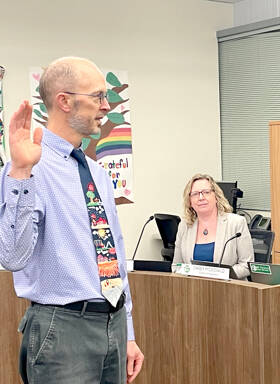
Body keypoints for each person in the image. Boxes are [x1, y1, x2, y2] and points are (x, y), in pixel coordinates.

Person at [0, 57, 144, 383]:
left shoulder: (96, 173)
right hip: (62, 330)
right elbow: (11, 256)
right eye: (97, 97)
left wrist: (129, 331)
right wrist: (21, 173)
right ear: (64, 101)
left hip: (114, 323)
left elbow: (114, 253)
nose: (106, 106)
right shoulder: (28, 168)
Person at [172, 174, 254, 279]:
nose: (201, 197)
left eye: (206, 192)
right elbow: (176, 266)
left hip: (229, 289)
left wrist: (217, 276)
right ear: (190, 201)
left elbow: (246, 265)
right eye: (195, 194)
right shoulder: (185, 226)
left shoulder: (236, 223)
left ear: (216, 197)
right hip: (194, 289)